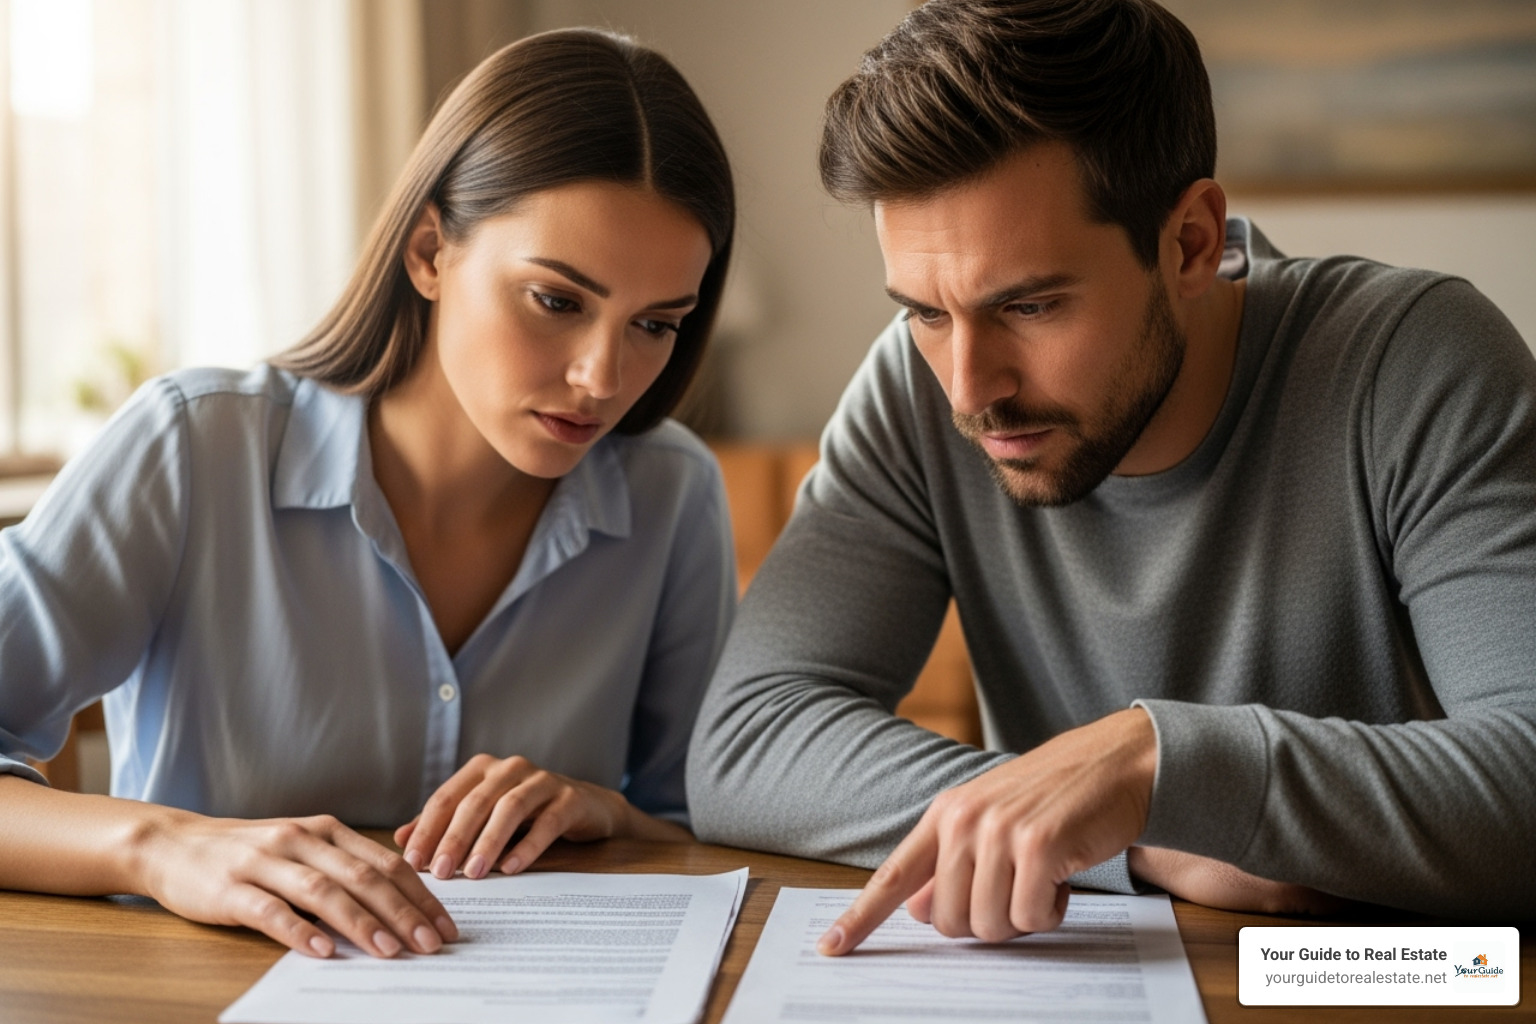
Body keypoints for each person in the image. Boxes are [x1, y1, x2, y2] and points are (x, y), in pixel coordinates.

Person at [686, 0, 1536, 953]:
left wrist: (1154, 763)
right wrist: (1120, 837)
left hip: (1401, 978)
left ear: (1191, 245)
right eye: (925, 312)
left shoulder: (1415, 362)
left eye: (1033, 304)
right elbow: (748, 741)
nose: (971, 390)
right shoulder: (914, 390)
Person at [0, 29, 736, 961]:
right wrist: (157, 845)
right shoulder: (194, 446)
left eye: (655, 325)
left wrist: (611, 811)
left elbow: (709, 830)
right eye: (557, 300)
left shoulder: (673, 494)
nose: (602, 375)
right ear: (430, 252)